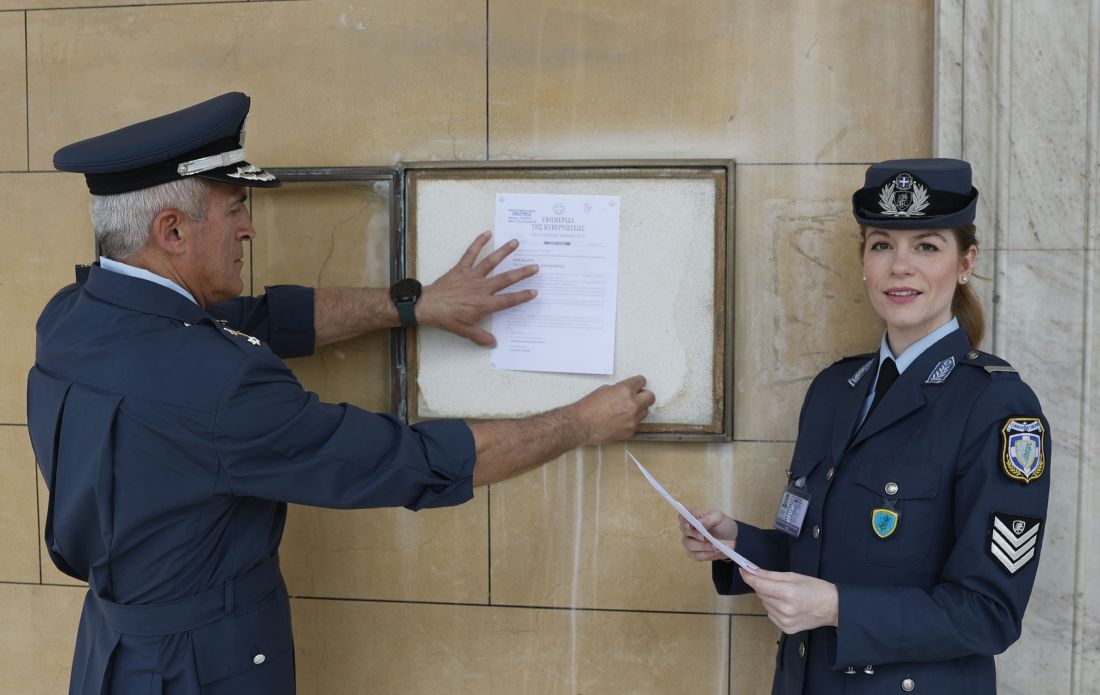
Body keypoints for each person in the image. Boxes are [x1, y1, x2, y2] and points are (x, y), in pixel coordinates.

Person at [28, 92, 655, 695]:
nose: (248, 229)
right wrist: (581, 422)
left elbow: (255, 323)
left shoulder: (70, 320)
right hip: (200, 668)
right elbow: (409, 464)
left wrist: (413, 305)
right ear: (171, 231)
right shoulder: (222, 385)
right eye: (235, 208)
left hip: (112, 656)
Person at [679, 158, 1050, 694]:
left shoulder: (998, 407)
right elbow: (817, 547)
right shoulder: (834, 391)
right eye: (882, 245)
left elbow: (988, 613)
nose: (901, 267)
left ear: (965, 262)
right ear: (863, 261)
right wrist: (738, 544)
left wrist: (835, 608)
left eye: (926, 246)